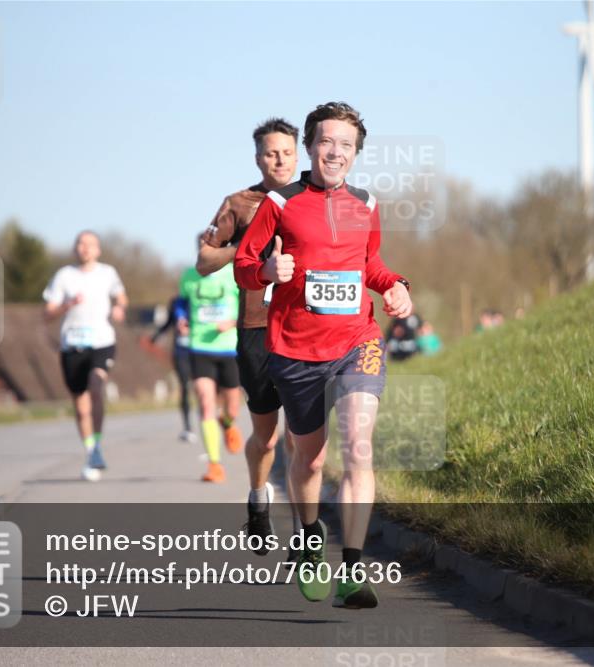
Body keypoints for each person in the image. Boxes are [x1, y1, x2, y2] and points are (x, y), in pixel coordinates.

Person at [235, 102, 413, 609]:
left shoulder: (367, 203)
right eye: (328, 142)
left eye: (347, 145)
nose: (336, 152)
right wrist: (268, 273)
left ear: (356, 153)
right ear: (311, 146)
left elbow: (370, 264)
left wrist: (396, 286)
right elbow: (245, 264)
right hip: (294, 348)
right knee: (309, 460)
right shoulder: (281, 204)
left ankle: (354, 569)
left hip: (357, 341)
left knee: (359, 447)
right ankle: (311, 541)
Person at [197, 118, 301, 556]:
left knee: (303, 437)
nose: (279, 160)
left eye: (287, 152)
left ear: (300, 155)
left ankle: (303, 531)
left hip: (305, 330)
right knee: (268, 437)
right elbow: (203, 260)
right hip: (256, 330)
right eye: (271, 152)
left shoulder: (314, 200)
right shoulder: (239, 204)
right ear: (258, 157)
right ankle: (259, 499)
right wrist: (243, 251)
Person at [43, 230, 127, 482]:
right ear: (75, 249)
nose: (85, 248)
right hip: (72, 345)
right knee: (80, 407)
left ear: (98, 250)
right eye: (80, 244)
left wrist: (120, 307)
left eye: (90, 244)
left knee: (96, 385)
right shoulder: (64, 276)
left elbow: (121, 296)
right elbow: (47, 313)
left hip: (102, 342)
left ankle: (98, 445)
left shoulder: (108, 273)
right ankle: (92, 450)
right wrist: (67, 305)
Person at [180, 253, 243, 483]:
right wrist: (181, 318)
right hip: (199, 347)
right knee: (206, 403)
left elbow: (248, 306)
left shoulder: (233, 273)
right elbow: (182, 303)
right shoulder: (189, 275)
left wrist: (233, 322)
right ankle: (215, 465)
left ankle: (226, 423)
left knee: (233, 408)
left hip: (229, 348)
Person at [149, 295, 198, 444]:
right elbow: (169, 322)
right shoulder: (176, 302)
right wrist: (155, 336)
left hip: (200, 351)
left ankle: (210, 418)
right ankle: (187, 426)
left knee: (204, 387)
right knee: (184, 387)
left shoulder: (202, 299)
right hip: (181, 353)